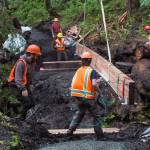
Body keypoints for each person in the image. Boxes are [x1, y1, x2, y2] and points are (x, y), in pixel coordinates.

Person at [66, 52, 104, 139]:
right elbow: (94, 84)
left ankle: (70, 130)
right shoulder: (91, 71)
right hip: (87, 97)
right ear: (90, 60)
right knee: (96, 115)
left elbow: (83, 82)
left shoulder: (79, 70)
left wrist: (97, 81)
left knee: (80, 112)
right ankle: (100, 135)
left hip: (77, 96)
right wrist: (100, 92)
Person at [8, 44, 41, 118]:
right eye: (36, 55)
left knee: (32, 103)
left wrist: (31, 84)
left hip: (24, 84)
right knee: (27, 103)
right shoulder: (21, 63)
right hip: (15, 85)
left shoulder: (32, 62)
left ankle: (13, 104)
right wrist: (23, 89)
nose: (37, 57)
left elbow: (29, 75)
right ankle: (20, 118)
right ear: (31, 54)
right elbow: (18, 79)